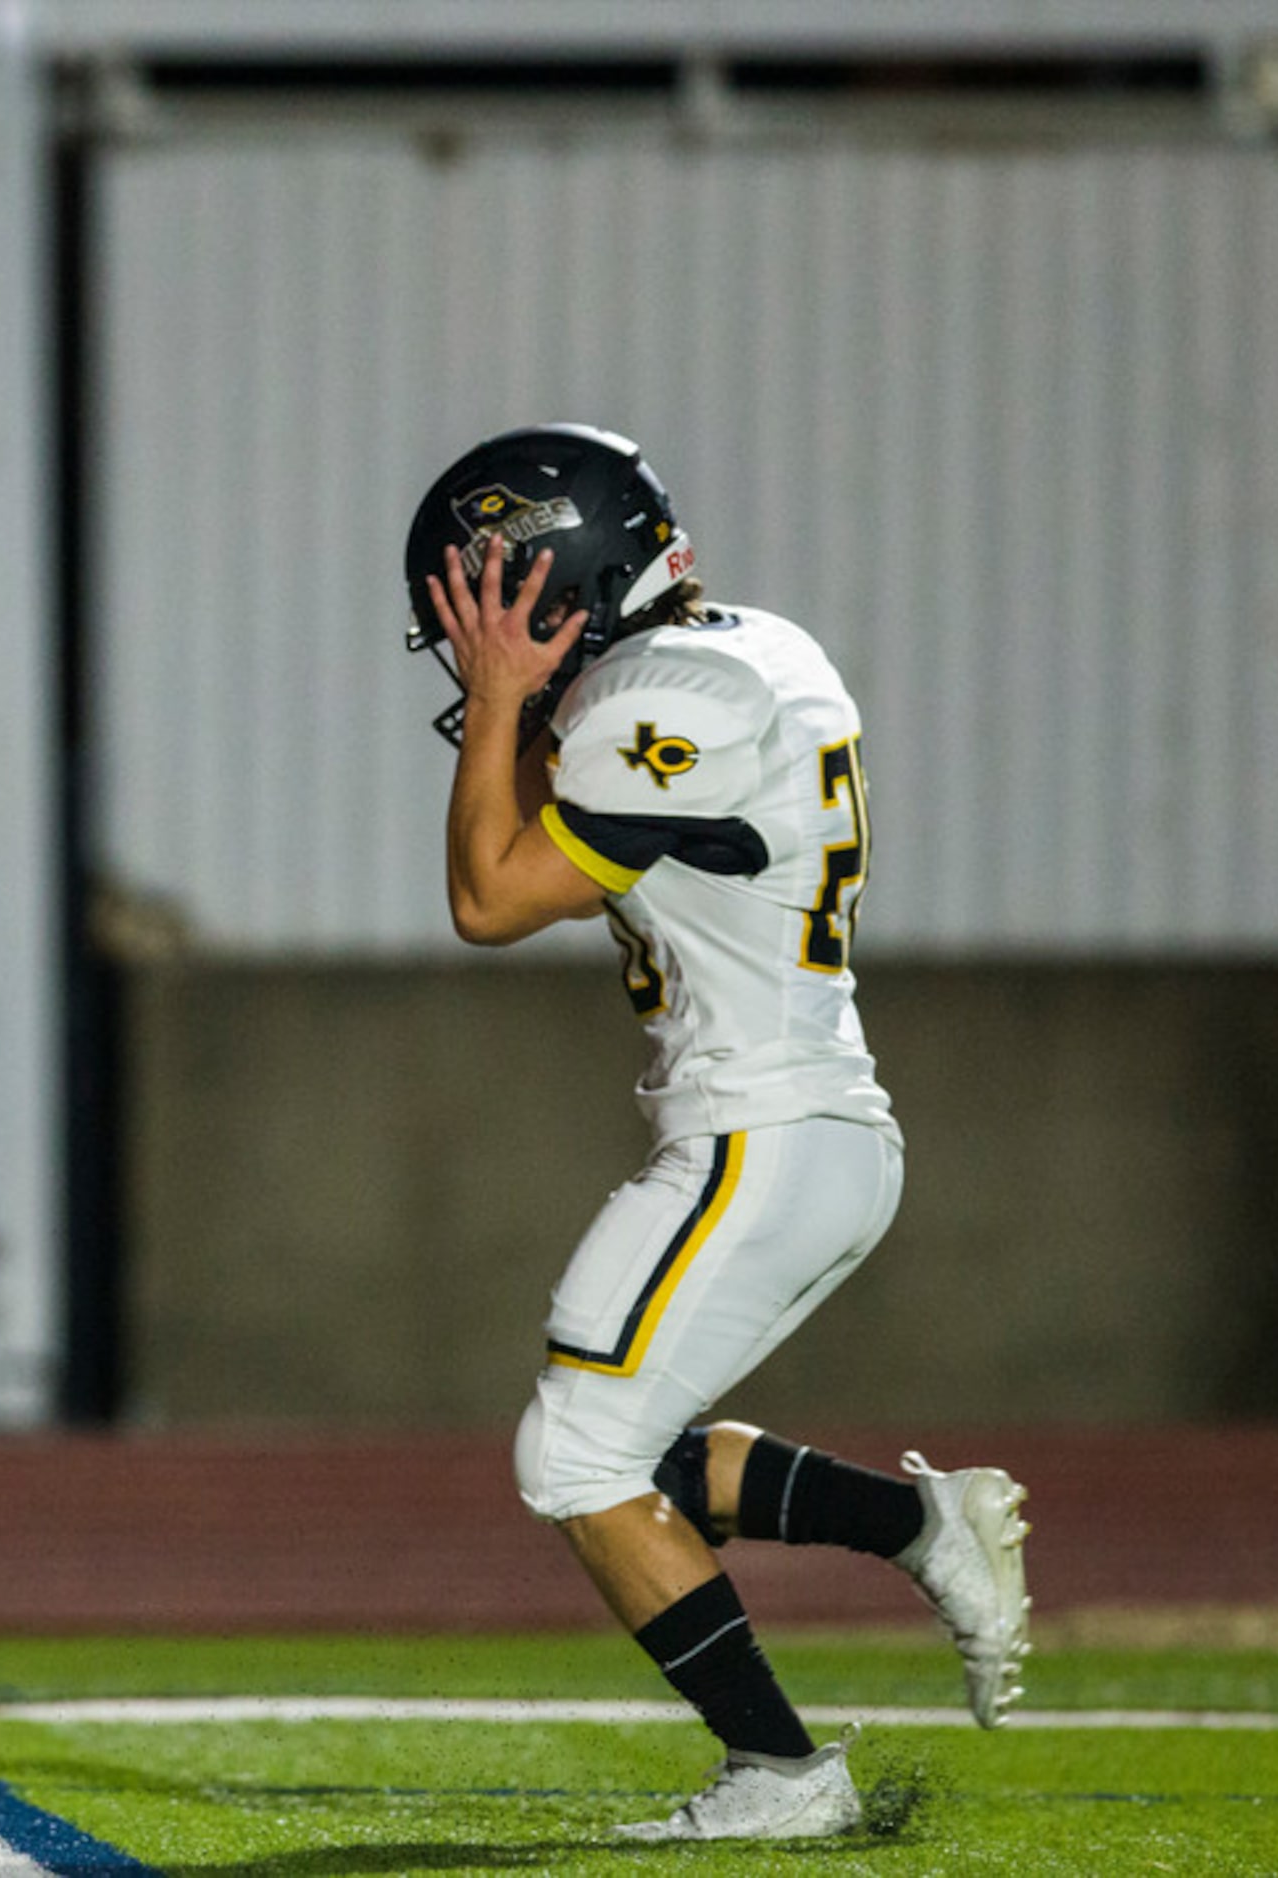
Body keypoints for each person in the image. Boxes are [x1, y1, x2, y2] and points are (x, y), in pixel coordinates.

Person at [403, 423, 1030, 1843]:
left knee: (571, 1456)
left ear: (558, 582)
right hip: (807, 1127)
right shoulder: (746, 649)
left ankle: (782, 1771)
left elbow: (490, 898)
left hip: (761, 1133)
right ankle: (922, 1528)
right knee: (637, 1449)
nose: (472, 647)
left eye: (489, 607)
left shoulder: (656, 693)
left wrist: (505, 697)